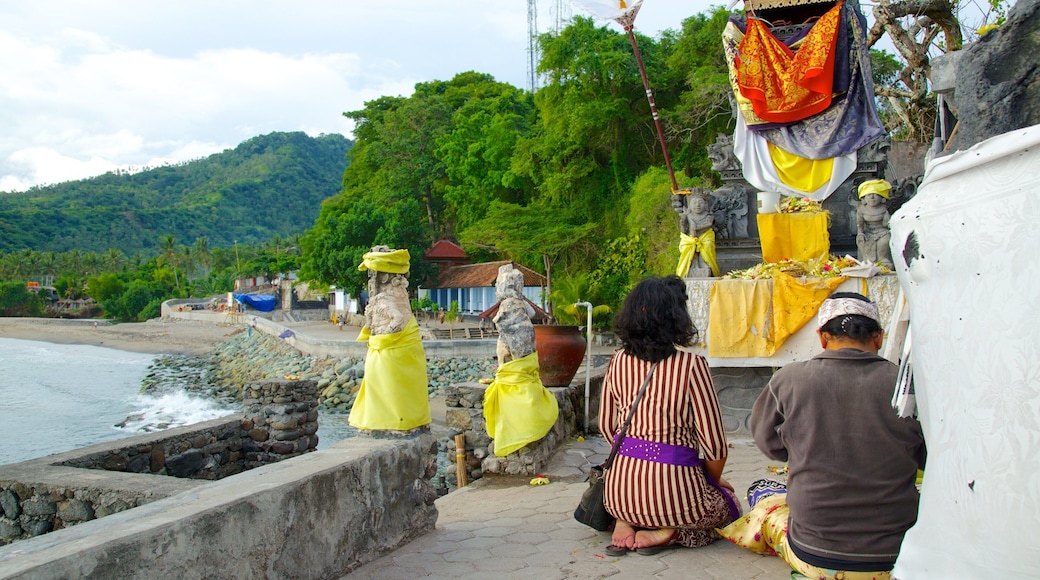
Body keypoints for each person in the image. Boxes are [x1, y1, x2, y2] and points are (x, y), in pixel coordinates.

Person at [719, 292, 926, 579]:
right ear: (878, 338)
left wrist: (803, 451)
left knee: (766, 499)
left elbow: (767, 440)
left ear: (822, 337)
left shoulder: (789, 378)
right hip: (897, 555)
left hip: (813, 554)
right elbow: (928, 456)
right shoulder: (907, 385)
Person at [599, 276, 740, 556]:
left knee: (640, 496)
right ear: (676, 317)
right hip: (676, 498)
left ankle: (625, 520)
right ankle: (672, 531)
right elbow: (714, 445)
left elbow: (606, 427)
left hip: (616, 494)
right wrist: (713, 480)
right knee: (729, 505)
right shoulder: (692, 366)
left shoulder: (616, 361)